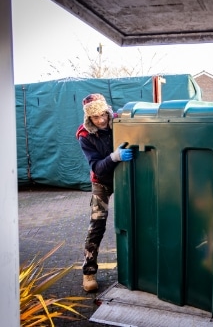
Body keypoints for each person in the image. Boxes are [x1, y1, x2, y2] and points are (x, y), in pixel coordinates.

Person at [75, 93, 133, 292]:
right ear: (88, 118)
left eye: (103, 115)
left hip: (126, 177)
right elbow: (97, 167)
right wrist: (115, 157)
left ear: (107, 111)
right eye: (95, 117)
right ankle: (88, 272)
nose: (100, 120)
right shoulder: (85, 135)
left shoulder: (119, 121)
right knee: (97, 225)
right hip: (102, 181)